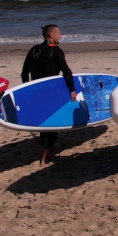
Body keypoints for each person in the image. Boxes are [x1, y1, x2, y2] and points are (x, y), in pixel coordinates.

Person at [21, 24, 77, 165]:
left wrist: (26, 88)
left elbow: (24, 72)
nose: (60, 35)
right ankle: (46, 153)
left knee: (43, 119)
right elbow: (67, 72)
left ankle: (44, 146)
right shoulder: (56, 51)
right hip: (50, 92)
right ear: (51, 35)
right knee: (53, 122)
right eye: (58, 33)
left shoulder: (34, 50)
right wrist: (72, 89)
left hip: (35, 91)